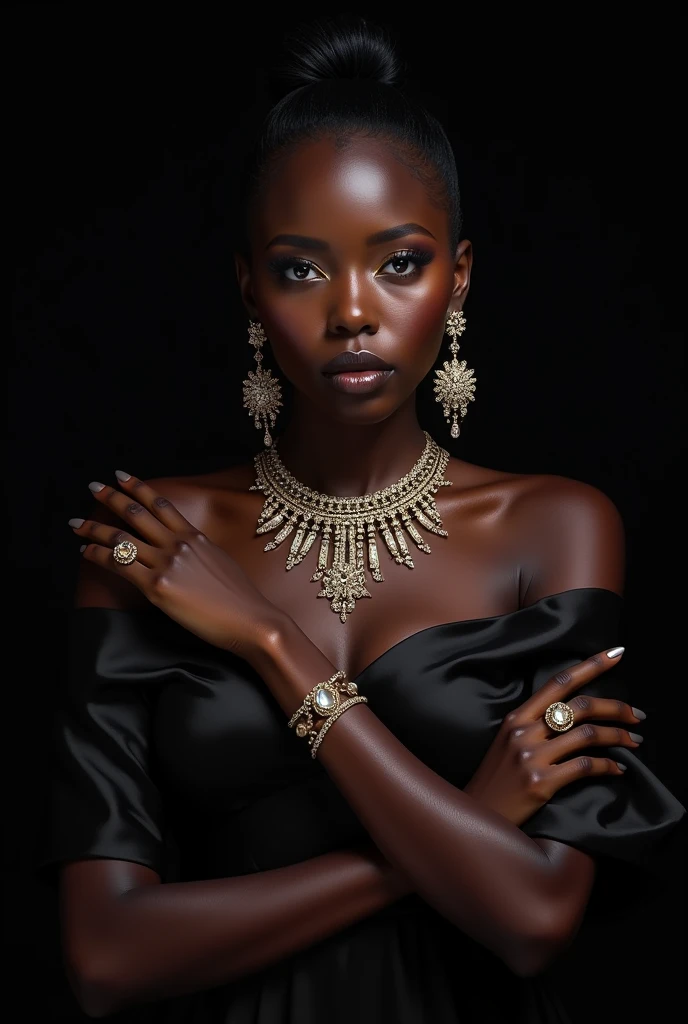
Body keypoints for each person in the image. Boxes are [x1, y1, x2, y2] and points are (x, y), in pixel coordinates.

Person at [42, 17, 684, 1024]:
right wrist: (465, 828)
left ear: (458, 279)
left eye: (399, 263)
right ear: (248, 287)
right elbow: (104, 955)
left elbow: (532, 916)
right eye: (301, 268)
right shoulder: (156, 540)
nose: (352, 310)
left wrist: (272, 644)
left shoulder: (554, 527)